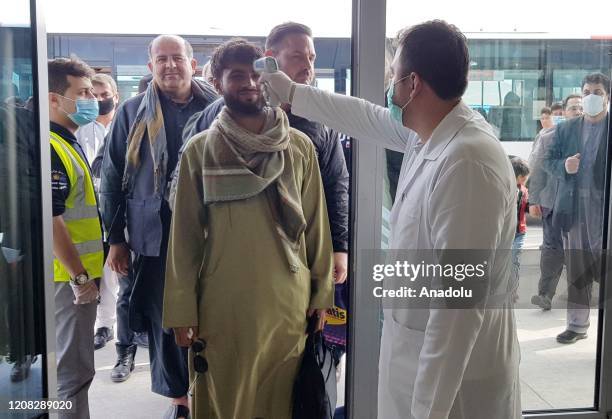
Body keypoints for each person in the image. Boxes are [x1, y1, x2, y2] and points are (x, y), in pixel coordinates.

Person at [262, 19, 521, 419]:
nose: (389, 88)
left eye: (393, 77)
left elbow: (457, 311)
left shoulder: (468, 162)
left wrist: (427, 412)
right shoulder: (428, 135)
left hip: (455, 394)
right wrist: (294, 94)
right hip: (413, 361)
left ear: (412, 84)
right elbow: (362, 116)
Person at [163, 39, 334, 418]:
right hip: (222, 306)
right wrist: (180, 310)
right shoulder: (200, 150)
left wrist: (322, 295)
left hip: (286, 304)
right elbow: (185, 239)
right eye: (236, 75)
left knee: (281, 402)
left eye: (256, 74)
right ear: (219, 82)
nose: (250, 83)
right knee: (225, 401)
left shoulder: (299, 147)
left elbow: (316, 226)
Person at [99, 35, 217, 418]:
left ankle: (211, 390)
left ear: (192, 63)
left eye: (177, 58)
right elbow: (114, 176)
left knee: (210, 309)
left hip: (209, 231)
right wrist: (115, 240)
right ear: (150, 67)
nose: (170, 65)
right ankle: (179, 399)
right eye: (161, 59)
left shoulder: (218, 108)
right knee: (165, 317)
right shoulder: (133, 112)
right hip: (154, 233)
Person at [48, 57, 105, 418]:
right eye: (82, 92)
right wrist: (80, 278)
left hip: (71, 277)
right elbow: (52, 218)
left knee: (74, 371)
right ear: (55, 99)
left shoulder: (68, 140)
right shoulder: (54, 147)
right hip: (68, 280)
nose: (91, 99)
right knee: (73, 374)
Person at [543, 73, 610, 344]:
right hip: (575, 209)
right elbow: (548, 161)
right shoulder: (566, 128)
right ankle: (577, 325)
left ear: (607, 96)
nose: (590, 96)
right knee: (578, 268)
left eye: (597, 91)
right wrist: (564, 167)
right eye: (586, 92)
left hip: (605, 208)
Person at [74, 73, 120, 351]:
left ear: (116, 96)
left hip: (114, 210)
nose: (100, 100)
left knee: (114, 272)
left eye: (105, 95)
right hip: (88, 212)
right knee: (94, 270)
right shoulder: (81, 128)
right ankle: (100, 324)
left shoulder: (124, 125)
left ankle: (108, 324)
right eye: (95, 95)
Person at [529, 94, 583, 310]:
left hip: (580, 206)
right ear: (563, 114)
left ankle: (578, 297)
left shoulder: (594, 137)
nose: (577, 111)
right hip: (552, 203)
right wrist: (534, 199)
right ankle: (545, 294)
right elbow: (538, 171)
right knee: (552, 249)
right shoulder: (549, 137)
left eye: (580, 108)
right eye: (573, 108)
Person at [510, 156, 530, 301]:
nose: (524, 181)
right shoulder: (505, 188)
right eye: (523, 178)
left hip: (520, 232)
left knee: (515, 261)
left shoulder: (524, 190)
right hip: (507, 233)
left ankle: (513, 290)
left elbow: (526, 208)